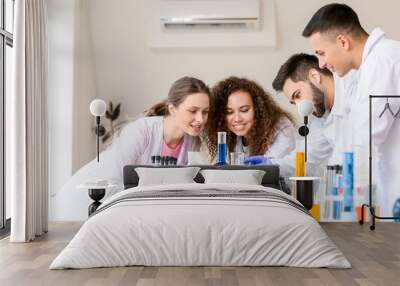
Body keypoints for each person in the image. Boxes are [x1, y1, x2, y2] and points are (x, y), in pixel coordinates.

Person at [52, 76, 211, 221]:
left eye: (205, 112)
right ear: (172, 109)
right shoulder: (140, 131)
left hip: (122, 209)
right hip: (83, 201)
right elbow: (114, 182)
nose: (200, 119)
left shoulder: (192, 142)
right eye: (193, 111)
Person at [302, 3, 400, 216]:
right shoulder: (366, 68)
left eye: (321, 53)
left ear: (343, 42)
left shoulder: (382, 62)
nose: (321, 64)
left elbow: (365, 140)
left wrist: (340, 205)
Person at [271, 53, 358, 176]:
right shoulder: (321, 118)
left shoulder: (357, 92)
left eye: (298, 95)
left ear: (315, 76)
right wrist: (269, 165)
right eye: (293, 102)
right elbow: (307, 158)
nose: (300, 107)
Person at [205, 76, 296, 164]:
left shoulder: (282, 128)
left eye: (244, 110)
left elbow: (275, 169)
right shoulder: (228, 137)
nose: (237, 119)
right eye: (229, 112)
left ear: (258, 109)